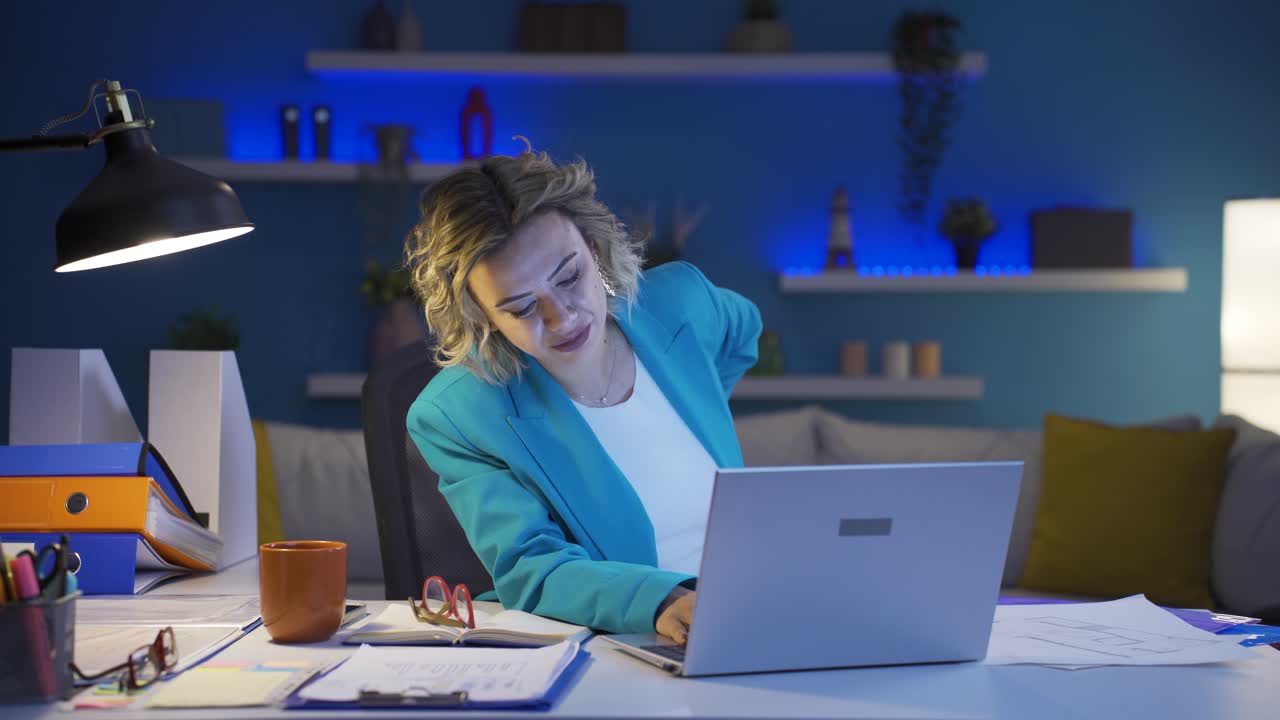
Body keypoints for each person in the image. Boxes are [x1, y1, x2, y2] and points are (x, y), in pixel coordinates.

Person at [403, 146, 761, 644]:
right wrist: (660, 601)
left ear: (594, 248)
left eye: (569, 277)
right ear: (483, 317)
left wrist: (693, 410)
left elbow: (744, 331)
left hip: (752, 609)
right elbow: (534, 570)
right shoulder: (459, 414)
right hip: (622, 639)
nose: (561, 317)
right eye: (522, 307)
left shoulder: (681, 303)